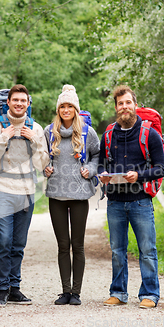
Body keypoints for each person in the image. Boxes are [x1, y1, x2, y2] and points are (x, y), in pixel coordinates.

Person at [98, 85, 164, 309]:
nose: (124, 107)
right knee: (117, 251)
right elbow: (101, 165)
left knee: (147, 250)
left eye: (128, 103)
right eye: (120, 104)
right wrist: (104, 176)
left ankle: (150, 294)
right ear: (116, 107)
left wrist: (139, 175)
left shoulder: (149, 133)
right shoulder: (108, 134)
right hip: (115, 202)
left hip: (141, 202)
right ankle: (118, 292)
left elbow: (160, 169)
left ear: (135, 105)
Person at [0, 84, 50, 307]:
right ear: (8, 103)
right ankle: (1, 289)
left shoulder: (36, 129)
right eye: (15, 100)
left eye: (23, 101)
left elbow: (42, 165)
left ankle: (15, 289)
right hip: (2, 189)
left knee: (18, 243)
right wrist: (3, 138)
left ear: (28, 104)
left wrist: (36, 142)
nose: (19, 104)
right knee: (3, 241)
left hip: (26, 191)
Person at [43, 85, 99, 306]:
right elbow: (41, 158)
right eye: (62, 106)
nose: (66, 110)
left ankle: (76, 293)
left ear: (76, 109)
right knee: (62, 245)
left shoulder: (87, 132)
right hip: (56, 194)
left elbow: (96, 156)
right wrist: (45, 168)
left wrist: (91, 170)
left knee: (78, 245)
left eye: (70, 106)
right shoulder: (49, 132)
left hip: (79, 195)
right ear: (58, 110)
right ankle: (65, 291)